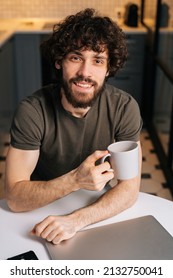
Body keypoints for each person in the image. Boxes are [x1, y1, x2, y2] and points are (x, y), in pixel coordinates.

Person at [5, 8, 142, 244]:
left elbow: (129, 188)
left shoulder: (124, 108)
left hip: (95, 209)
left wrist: (76, 221)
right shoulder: (32, 111)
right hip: (39, 207)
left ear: (108, 68)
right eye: (76, 57)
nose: (84, 73)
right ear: (59, 62)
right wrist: (74, 180)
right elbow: (15, 199)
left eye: (97, 61)